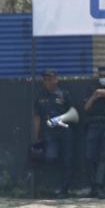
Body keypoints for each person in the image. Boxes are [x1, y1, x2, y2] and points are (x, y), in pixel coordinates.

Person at [32, 69, 75, 197]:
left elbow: (73, 113)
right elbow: (37, 117)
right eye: (45, 79)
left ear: (56, 79)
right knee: (51, 157)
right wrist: (36, 136)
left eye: (50, 79)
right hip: (49, 133)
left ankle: (64, 190)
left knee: (68, 160)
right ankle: (51, 187)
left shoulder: (64, 94)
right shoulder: (40, 97)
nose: (48, 82)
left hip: (65, 131)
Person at [82, 65, 105, 197]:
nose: (103, 78)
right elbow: (86, 108)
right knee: (90, 156)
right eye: (101, 76)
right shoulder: (92, 88)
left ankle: (100, 186)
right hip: (93, 125)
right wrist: (94, 96)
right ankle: (93, 186)